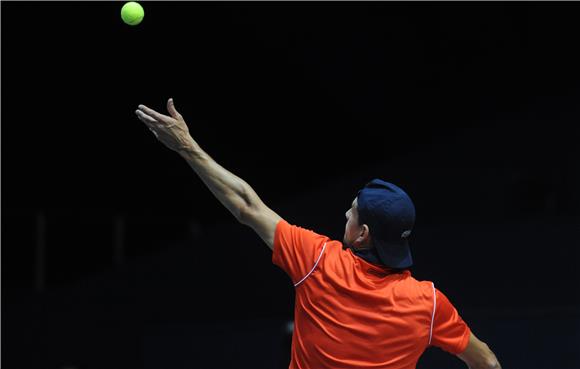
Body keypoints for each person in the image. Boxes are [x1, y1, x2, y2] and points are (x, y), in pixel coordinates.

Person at [135, 99, 502, 369]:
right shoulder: (430, 304)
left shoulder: (319, 262)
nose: (345, 212)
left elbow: (246, 205)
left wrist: (186, 146)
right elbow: (486, 361)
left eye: (353, 212)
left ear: (363, 236)